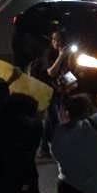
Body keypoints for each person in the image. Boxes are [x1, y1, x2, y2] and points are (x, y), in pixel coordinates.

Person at [32, 25, 75, 158]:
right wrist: (61, 57)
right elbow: (51, 72)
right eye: (54, 39)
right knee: (55, 120)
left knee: (51, 120)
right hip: (47, 90)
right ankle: (54, 148)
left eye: (59, 40)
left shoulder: (65, 52)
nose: (56, 42)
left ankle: (43, 148)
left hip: (58, 91)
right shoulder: (49, 53)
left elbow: (68, 70)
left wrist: (71, 81)